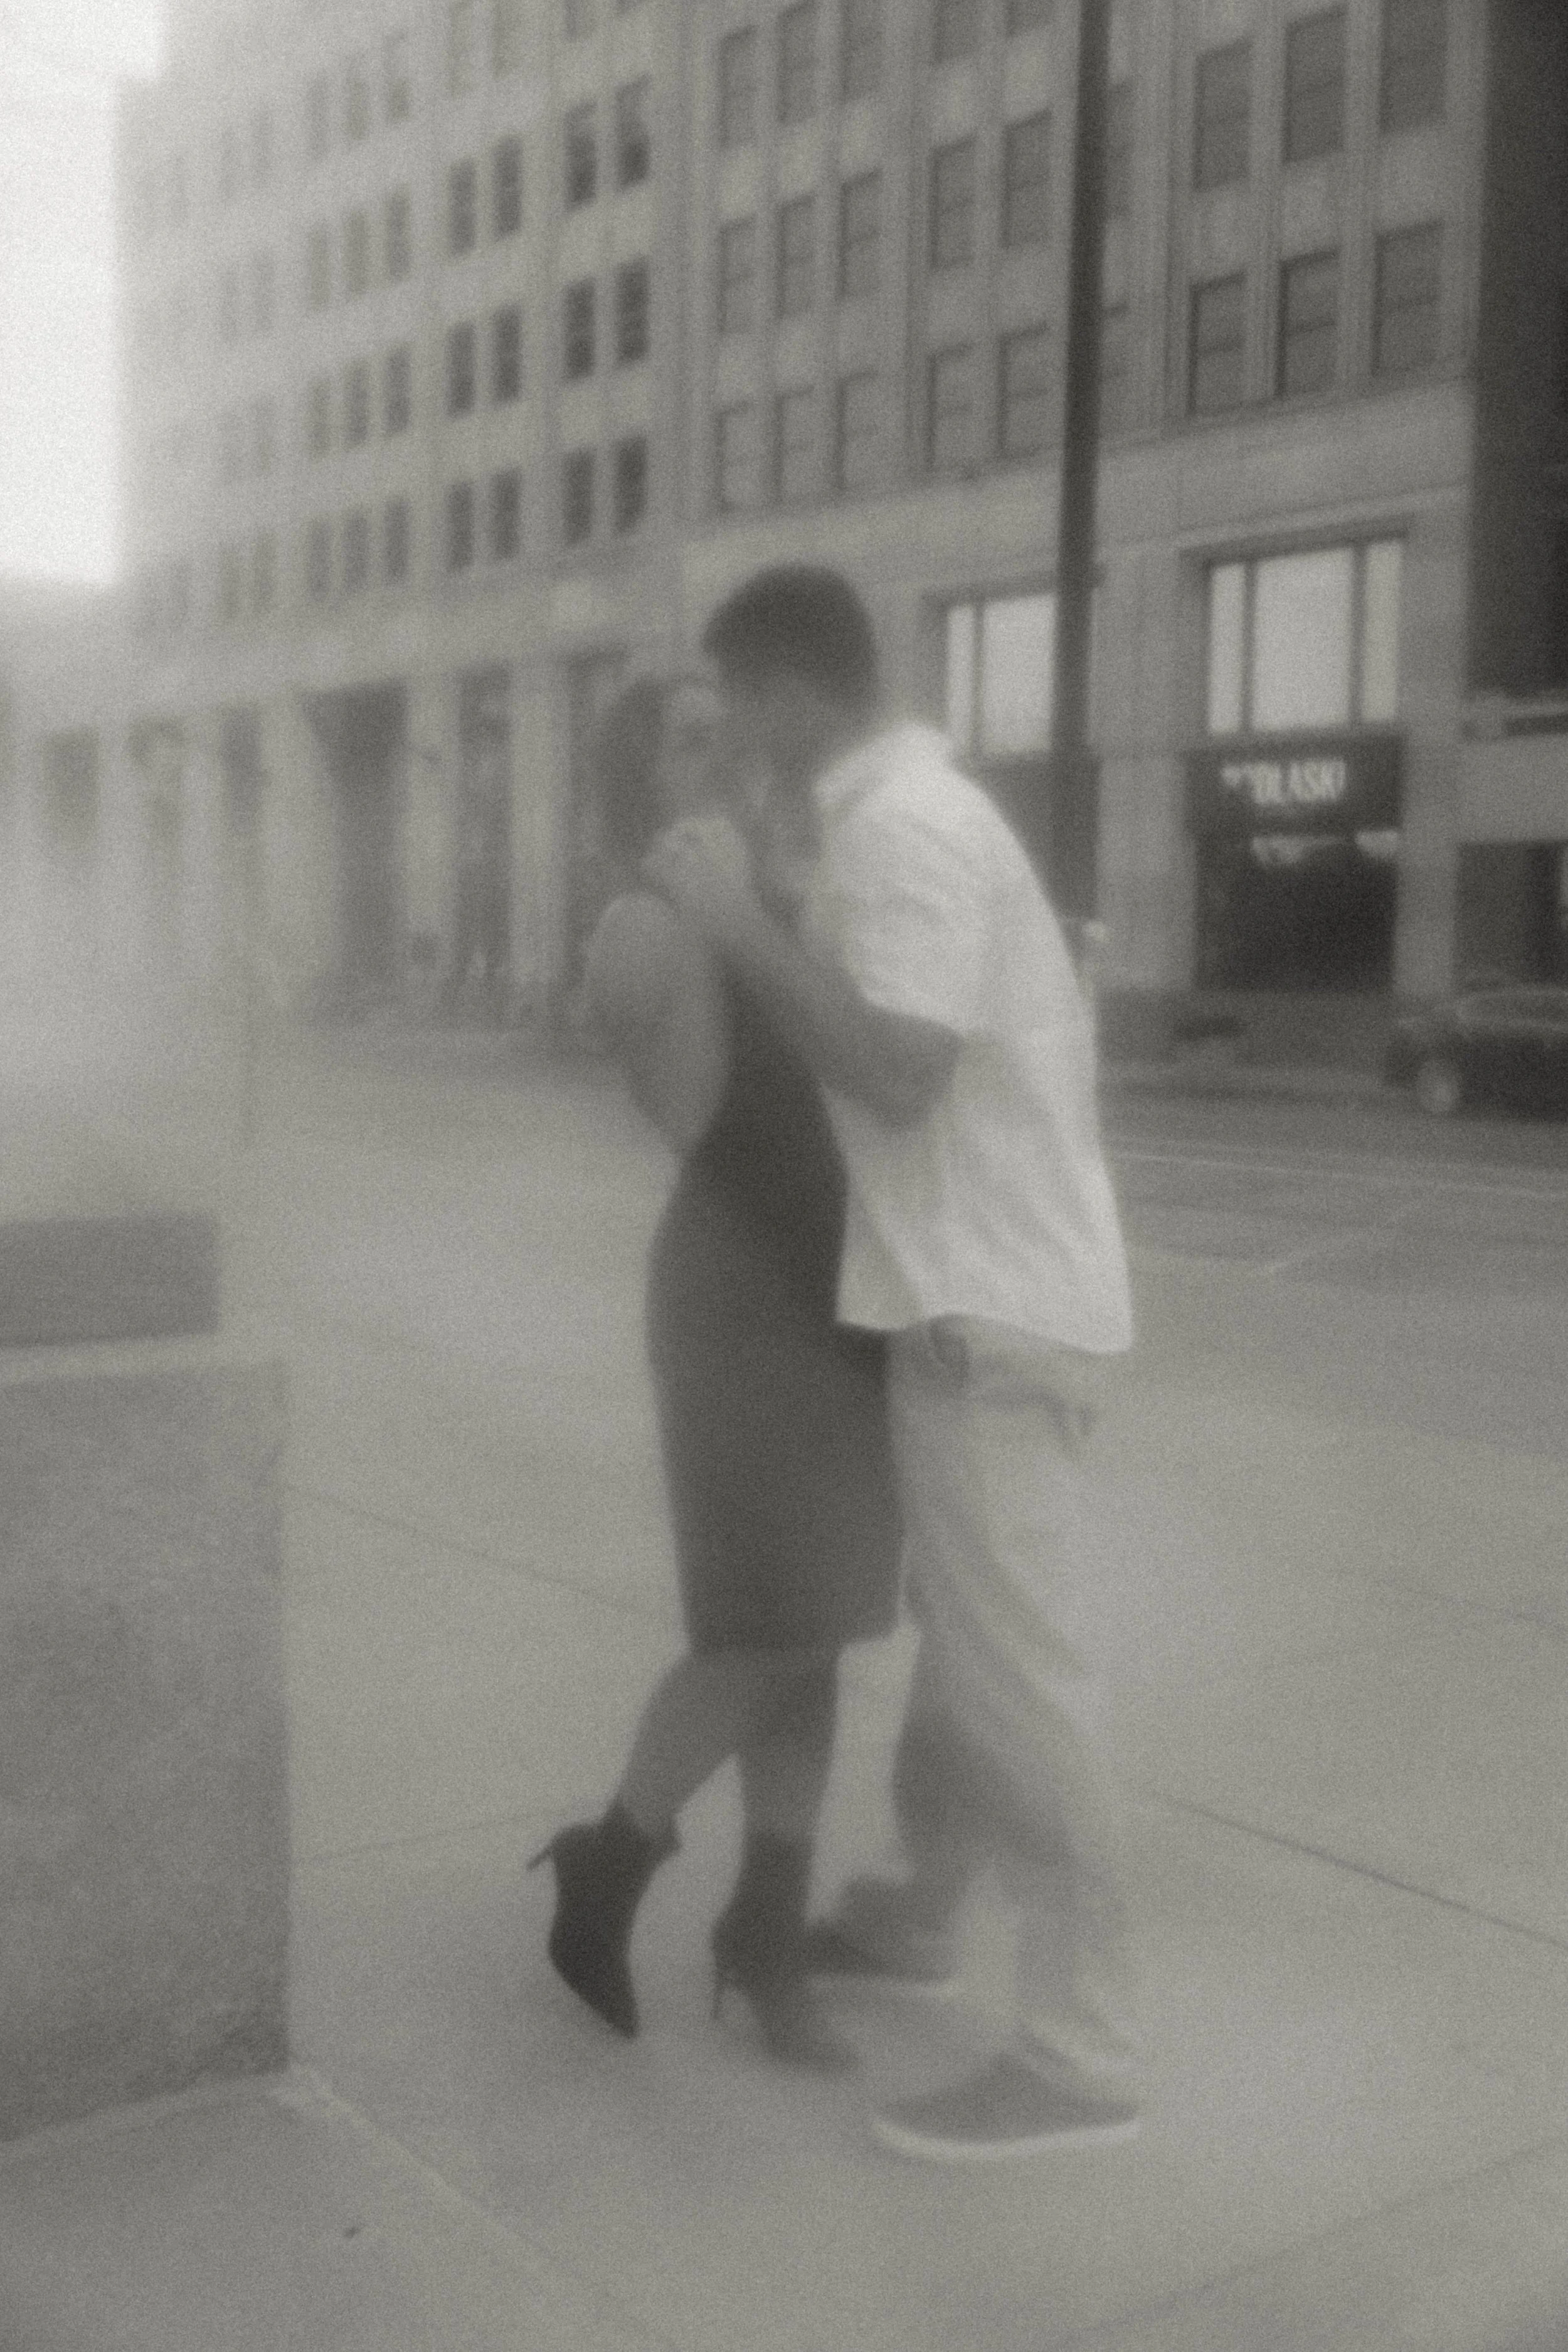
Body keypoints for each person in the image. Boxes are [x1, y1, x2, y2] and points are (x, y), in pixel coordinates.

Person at [647, 566, 1142, 2163]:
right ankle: (924, 1912)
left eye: (734, 712)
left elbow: (895, 1071)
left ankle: (1079, 2056)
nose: (729, 743)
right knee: (964, 1674)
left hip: (985, 1323)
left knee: (1020, 1692)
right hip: (982, 1311)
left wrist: (728, 918)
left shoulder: (908, 831)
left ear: (790, 696)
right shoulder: (891, 819)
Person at [528, 672, 901, 2069]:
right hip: (739, 1307)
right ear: (641, 788)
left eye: (726, 731)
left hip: (834, 1296)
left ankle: (764, 1925)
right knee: (768, 1631)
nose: (726, 754)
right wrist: (733, 913)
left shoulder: (757, 902)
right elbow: (700, 1111)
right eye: (691, 741)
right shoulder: (641, 927)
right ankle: (610, 1859)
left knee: (823, 1629)